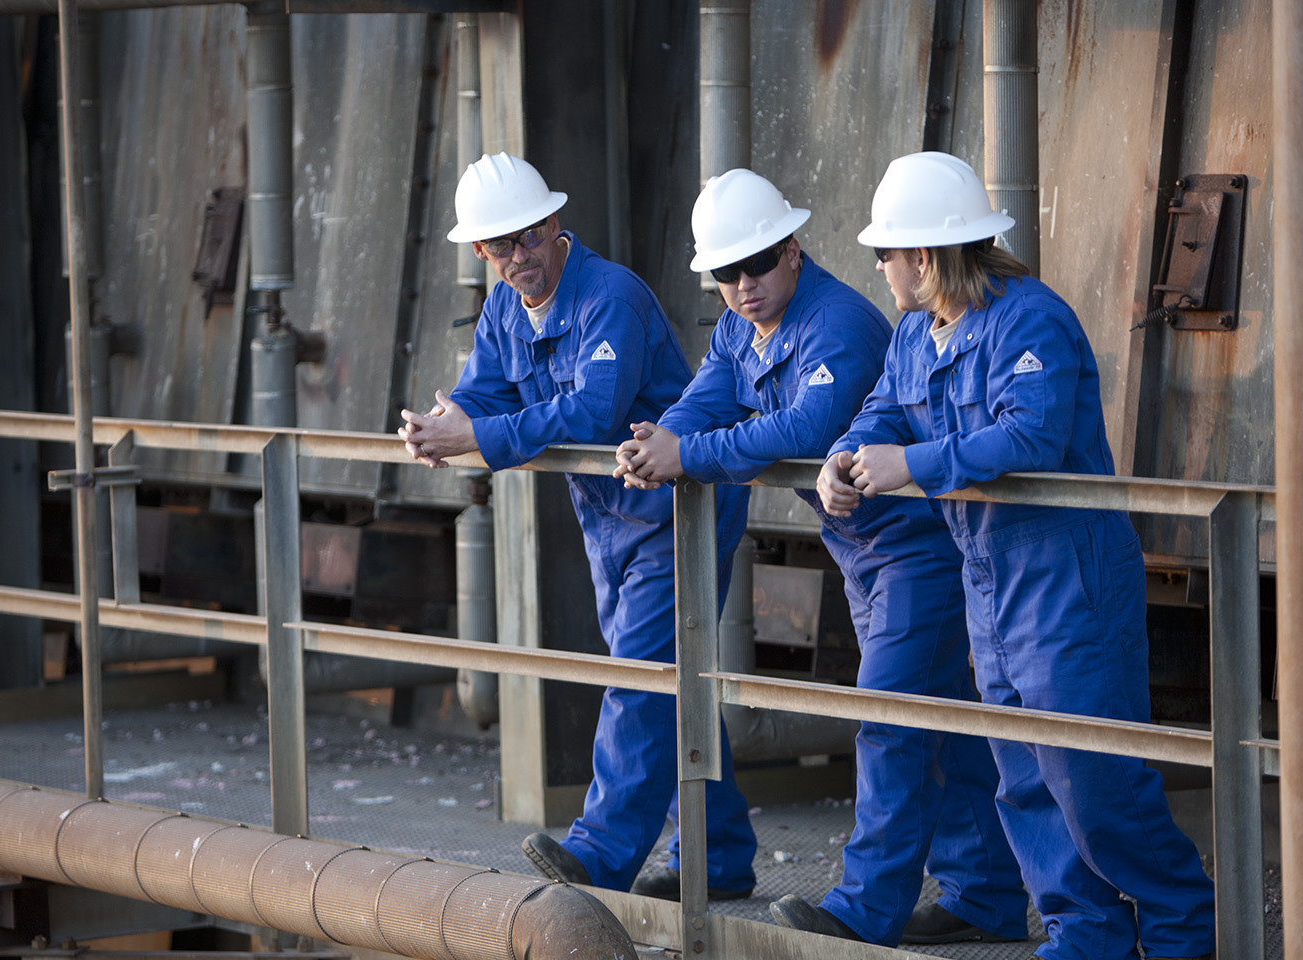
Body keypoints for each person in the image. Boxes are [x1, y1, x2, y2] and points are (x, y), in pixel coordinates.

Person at [818, 151, 1216, 960]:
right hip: (990, 580)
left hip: (1066, 581)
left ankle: (1184, 931)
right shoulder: (913, 336)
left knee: (1093, 776)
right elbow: (883, 411)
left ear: (924, 257)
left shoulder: (1028, 318)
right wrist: (847, 455)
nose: (882, 268)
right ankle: (1087, 935)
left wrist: (913, 468)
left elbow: (1029, 434)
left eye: (885, 253)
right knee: (1025, 777)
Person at [614, 168, 1028, 946]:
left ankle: (865, 911)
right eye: (725, 274)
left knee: (889, 724)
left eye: (759, 265)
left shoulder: (836, 322)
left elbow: (806, 428)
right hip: (865, 554)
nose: (744, 286)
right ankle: (987, 897)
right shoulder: (744, 322)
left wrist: (689, 453)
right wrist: (656, 438)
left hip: (918, 552)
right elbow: (712, 390)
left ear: (794, 250)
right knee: (935, 723)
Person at [399, 152, 757, 901]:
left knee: (639, 680)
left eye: (528, 239)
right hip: (610, 519)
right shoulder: (503, 306)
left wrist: (477, 438)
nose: (518, 258)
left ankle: (599, 856)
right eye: (500, 248)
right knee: (671, 682)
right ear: (481, 254)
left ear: (554, 224)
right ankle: (718, 853)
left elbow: (595, 413)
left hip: (676, 508)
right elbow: (482, 393)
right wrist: (443, 426)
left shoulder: (609, 297)